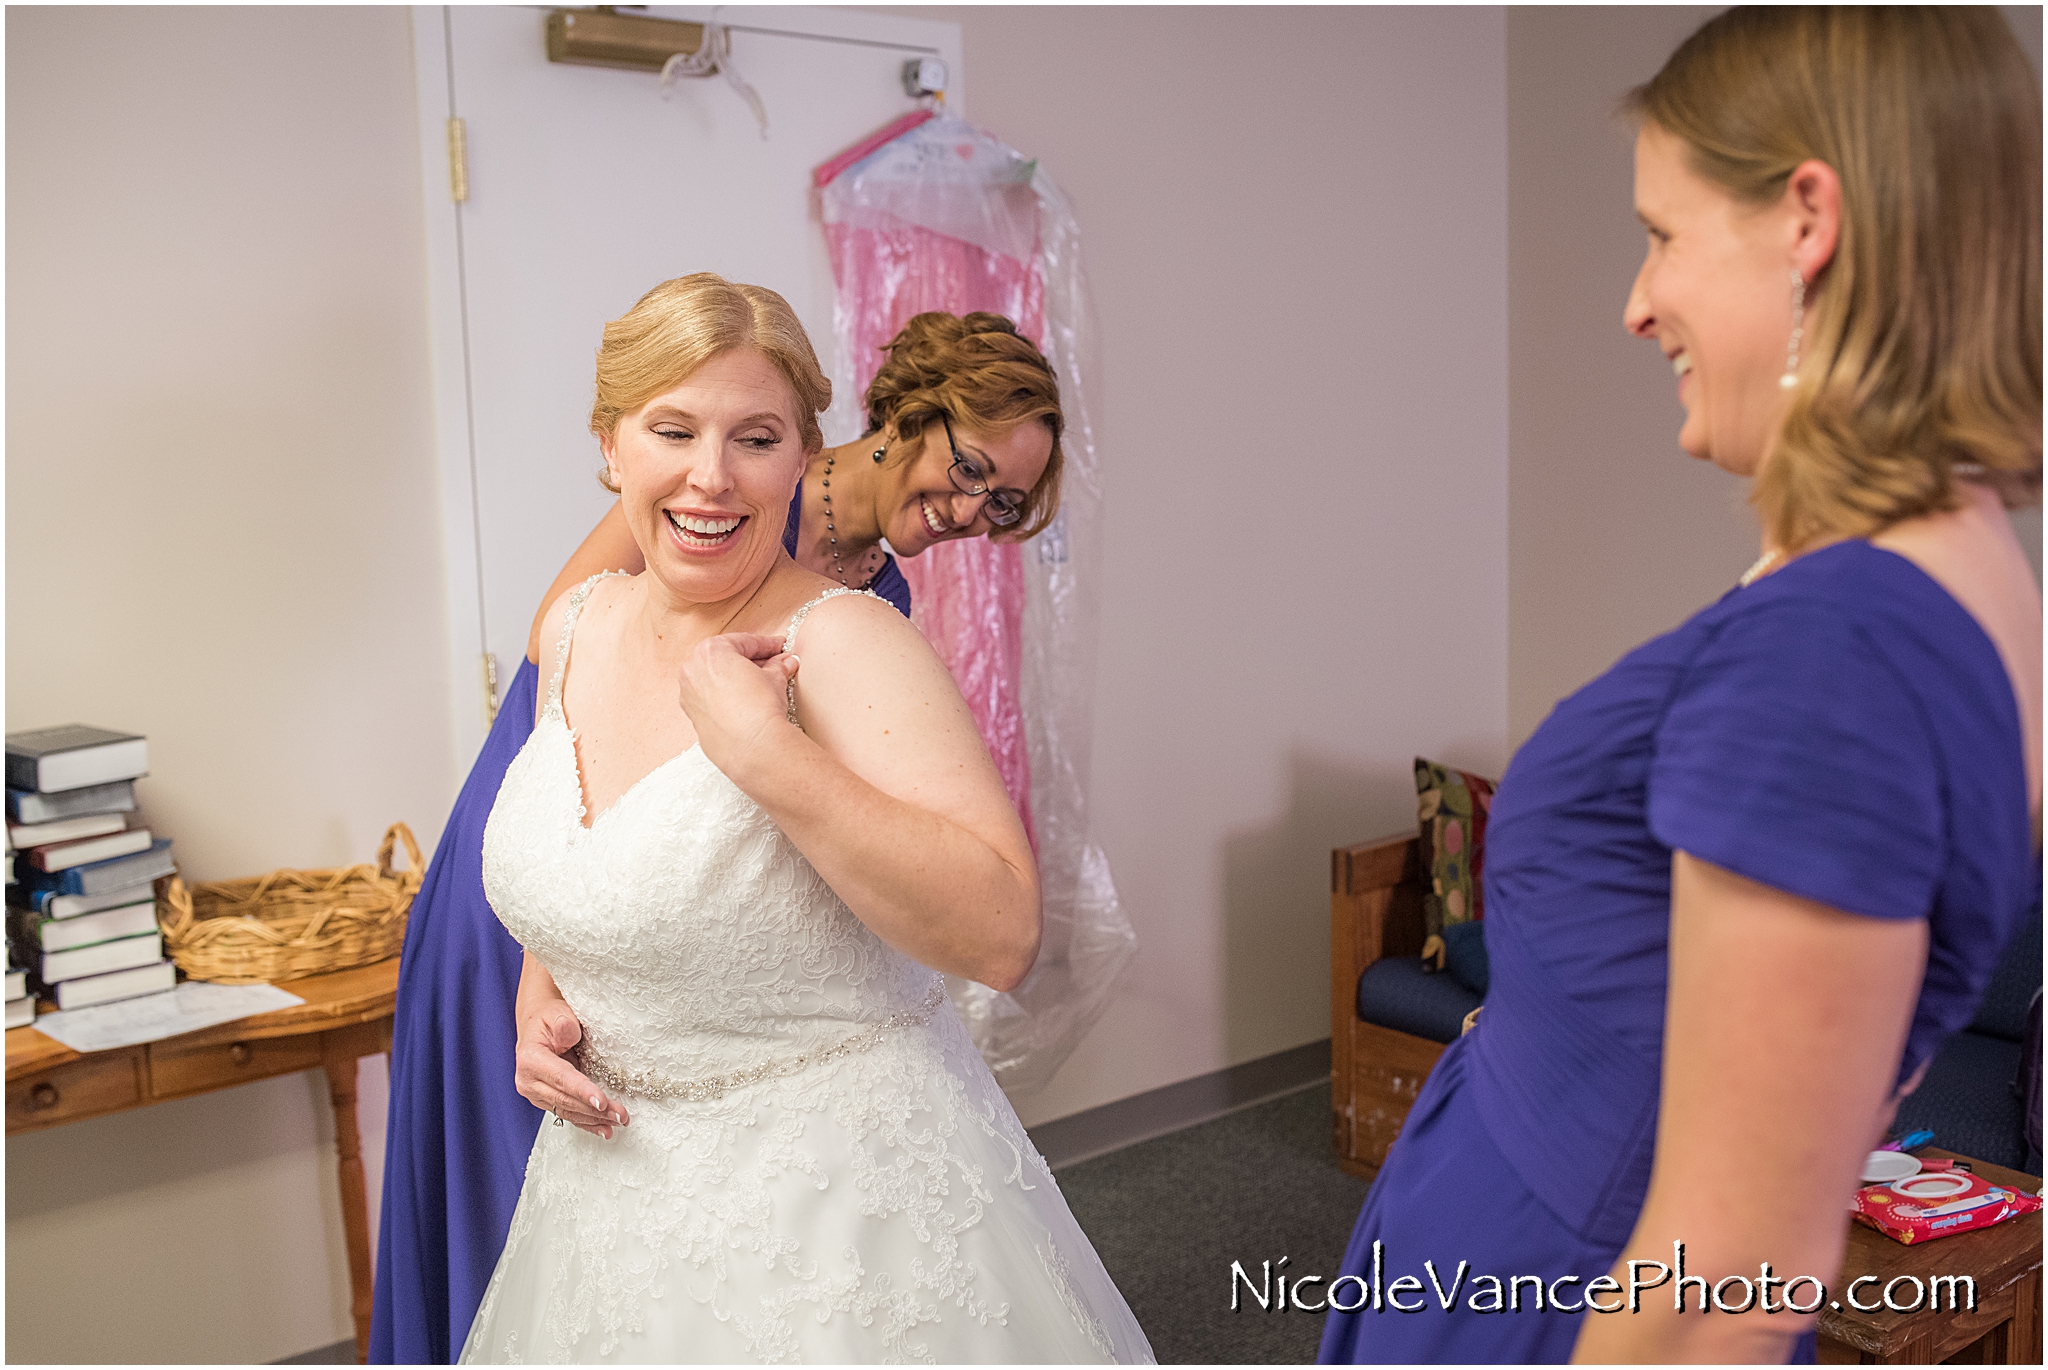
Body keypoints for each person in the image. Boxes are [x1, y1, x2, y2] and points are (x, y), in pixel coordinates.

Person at [1321, 8, 2039, 1364]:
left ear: (1807, 219)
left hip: (1559, 1282)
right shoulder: (1936, 566)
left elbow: (1732, 1276)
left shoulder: (1844, 646)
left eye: (1662, 233)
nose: (1637, 302)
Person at [449, 272, 1149, 1362]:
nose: (710, 475)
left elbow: (1003, 934)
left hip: (833, 1216)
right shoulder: (575, 627)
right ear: (609, 446)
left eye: (757, 437)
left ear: (801, 453)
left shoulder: (850, 639)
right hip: (608, 1212)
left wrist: (769, 755)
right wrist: (548, 992)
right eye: (671, 429)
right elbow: (590, 856)